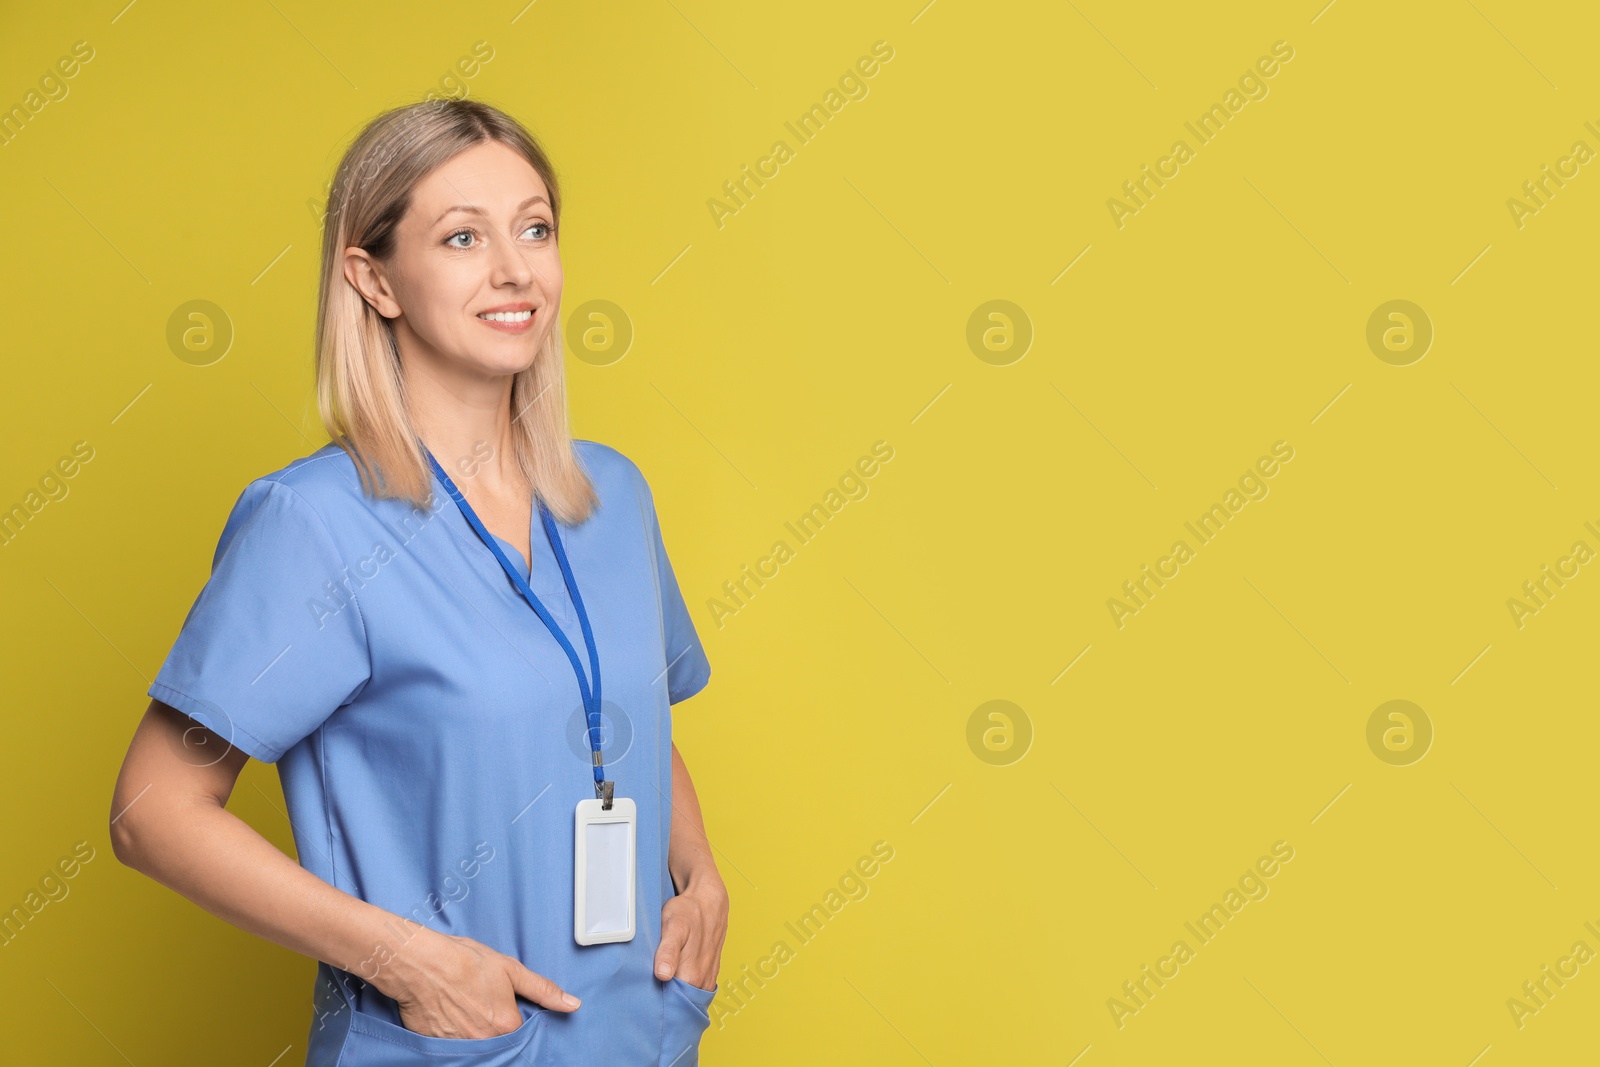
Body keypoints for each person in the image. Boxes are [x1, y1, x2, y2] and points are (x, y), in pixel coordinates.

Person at [109, 98, 728, 1066]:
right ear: (374, 278)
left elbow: (630, 714)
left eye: (535, 228)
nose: (515, 268)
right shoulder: (313, 522)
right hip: (459, 1038)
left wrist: (700, 880)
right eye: (462, 237)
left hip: (636, 1028)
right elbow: (154, 812)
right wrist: (413, 963)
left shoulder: (610, 495)